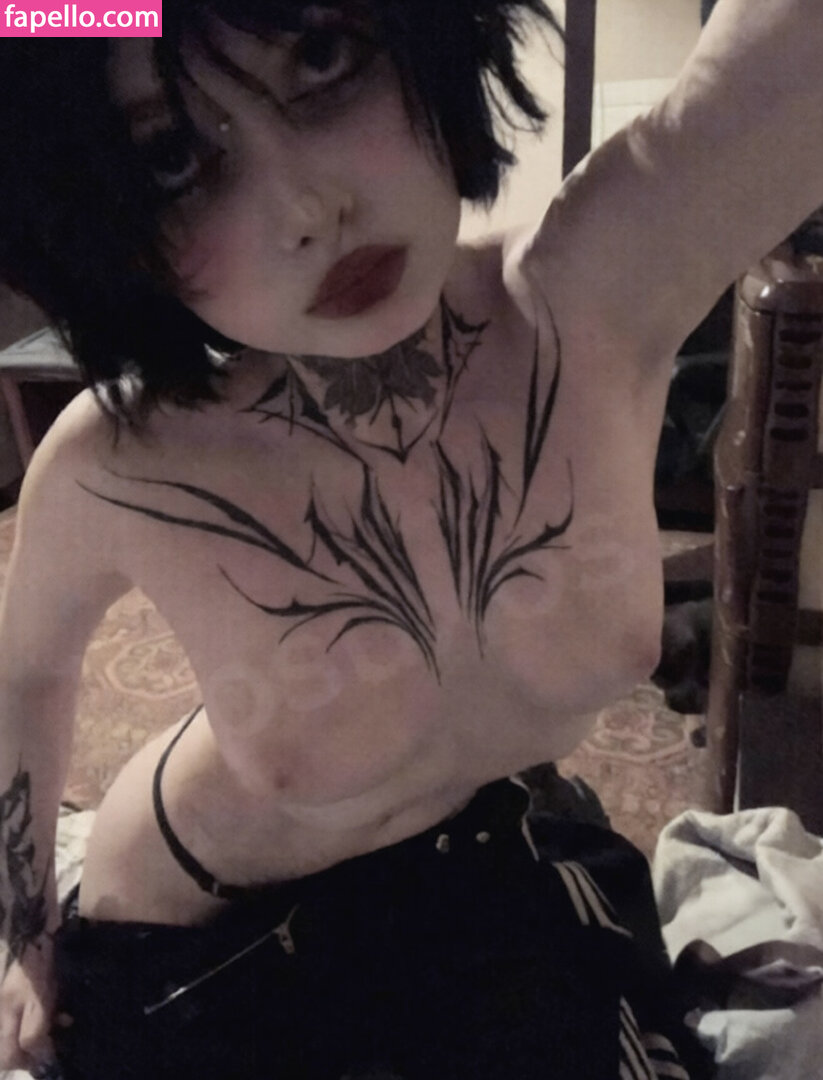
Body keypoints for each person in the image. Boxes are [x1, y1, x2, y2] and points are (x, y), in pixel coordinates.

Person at [0, 0, 820, 1075]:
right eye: (172, 160)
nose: (310, 208)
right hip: (196, 940)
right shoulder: (117, 464)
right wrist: (23, 941)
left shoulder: (600, 293)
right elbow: (23, 676)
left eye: (321, 58)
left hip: (463, 856)